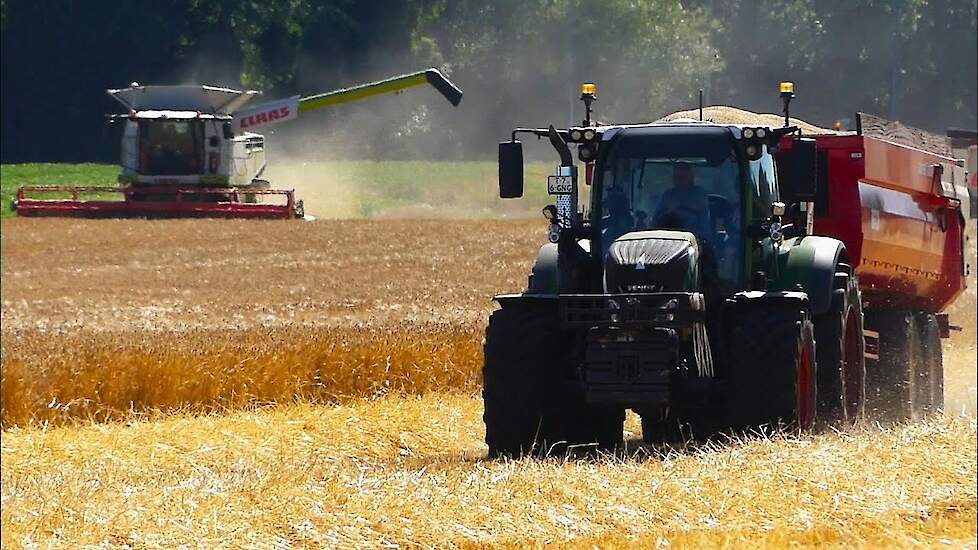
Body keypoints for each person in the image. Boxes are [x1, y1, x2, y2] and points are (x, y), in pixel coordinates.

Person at [652, 162, 711, 240]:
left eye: (682, 177)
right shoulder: (667, 195)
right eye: (676, 177)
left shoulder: (699, 194)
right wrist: (669, 211)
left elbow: (703, 220)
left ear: (691, 177)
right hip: (669, 239)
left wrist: (681, 206)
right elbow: (655, 221)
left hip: (696, 240)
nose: (679, 180)